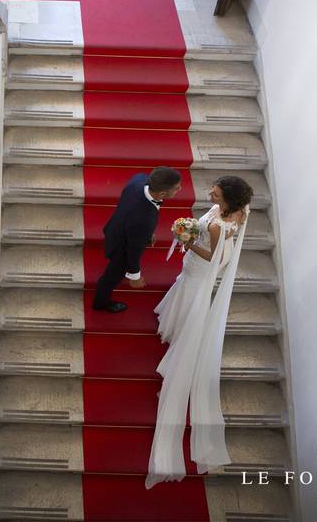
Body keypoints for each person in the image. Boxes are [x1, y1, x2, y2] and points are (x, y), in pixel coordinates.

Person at [145, 175, 254, 489]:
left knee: (190, 297)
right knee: (183, 291)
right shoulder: (237, 211)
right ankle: (175, 318)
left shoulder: (220, 225)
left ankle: (180, 343)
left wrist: (188, 240)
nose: (209, 193)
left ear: (227, 199)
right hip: (199, 261)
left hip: (202, 266)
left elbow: (216, 256)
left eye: (215, 192)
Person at [92, 166, 183, 313]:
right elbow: (134, 250)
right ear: (162, 193)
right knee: (111, 277)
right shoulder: (143, 220)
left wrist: (146, 234)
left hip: (118, 226)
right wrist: (135, 276)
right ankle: (101, 302)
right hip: (121, 244)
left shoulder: (139, 179)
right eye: (177, 188)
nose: (180, 189)